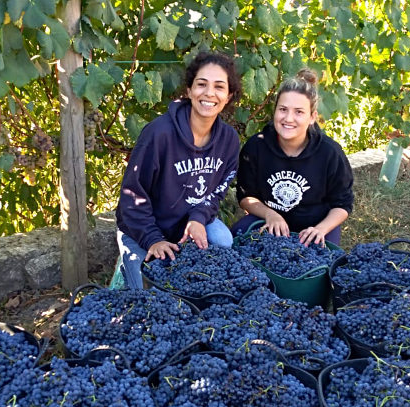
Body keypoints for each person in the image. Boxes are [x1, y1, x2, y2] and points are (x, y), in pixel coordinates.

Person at [114, 51, 243, 289]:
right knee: (147, 293)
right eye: (201, 84)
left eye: (219, 87)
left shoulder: (229, 141)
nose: (209, 93)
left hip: (187, 221)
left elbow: (219, 190)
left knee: (223, 242)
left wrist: (198, 218)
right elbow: (133, 194)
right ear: (189, 90)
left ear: (229, 95)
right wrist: (153, 239)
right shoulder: (159, 134)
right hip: (145, 226)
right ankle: (125, 266)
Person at [232, 68, 354, 246]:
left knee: (324, 263)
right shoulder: (256, 147)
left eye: (299, 112)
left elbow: (342, 205)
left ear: (312, 117)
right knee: (236, 240)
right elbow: (245, 197)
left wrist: (321, 229)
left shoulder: (330, 153)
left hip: (315, 225)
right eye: (283, 109)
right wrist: (270, 214)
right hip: (270, 220)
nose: (288, 118)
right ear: (274, 111)